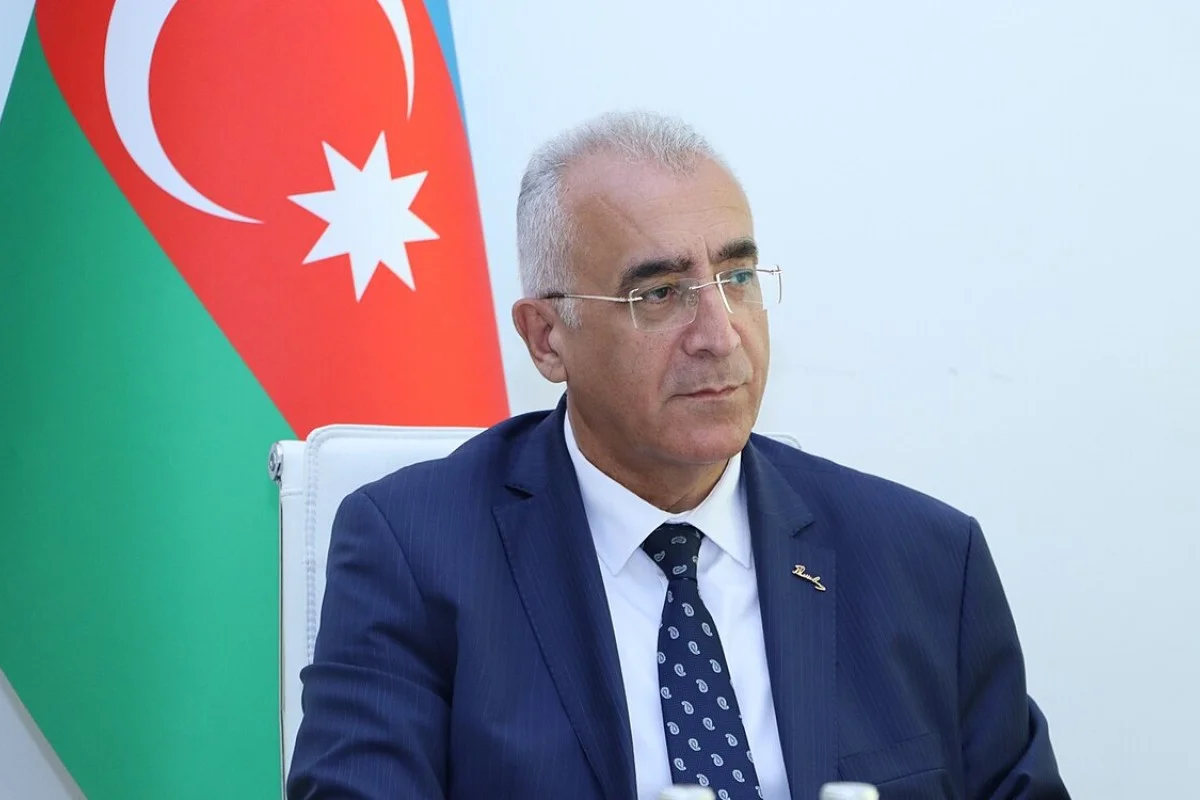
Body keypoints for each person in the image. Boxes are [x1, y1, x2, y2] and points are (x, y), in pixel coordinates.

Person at [286, 110, 1070, 800]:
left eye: (738, 277)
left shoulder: (925, 562)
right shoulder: (415, 551)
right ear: (547, 338)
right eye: (659, 293)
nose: (720, 335)